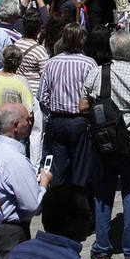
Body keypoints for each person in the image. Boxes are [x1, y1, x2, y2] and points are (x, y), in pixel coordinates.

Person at [80, 29, 130, 259]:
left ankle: (102, 249)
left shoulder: (95, 74)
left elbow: (83, 105)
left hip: (103, 144)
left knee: (103, 194)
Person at [0, 101, 50, 259]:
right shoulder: (15, 161)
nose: (31, 123)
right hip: (10, 233)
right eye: (28, 120)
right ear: (16, 126)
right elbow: (32, 206)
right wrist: (43, 184)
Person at [38, 23, 97, 187]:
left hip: (57, 121)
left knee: (58, 170)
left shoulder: (52, 63)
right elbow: (95, 95)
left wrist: (50, 116)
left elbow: (42, 97)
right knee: (81, 170)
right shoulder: (88, 64)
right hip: (80, 122)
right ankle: (77, 206)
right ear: (82, 40)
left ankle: (59, 207)